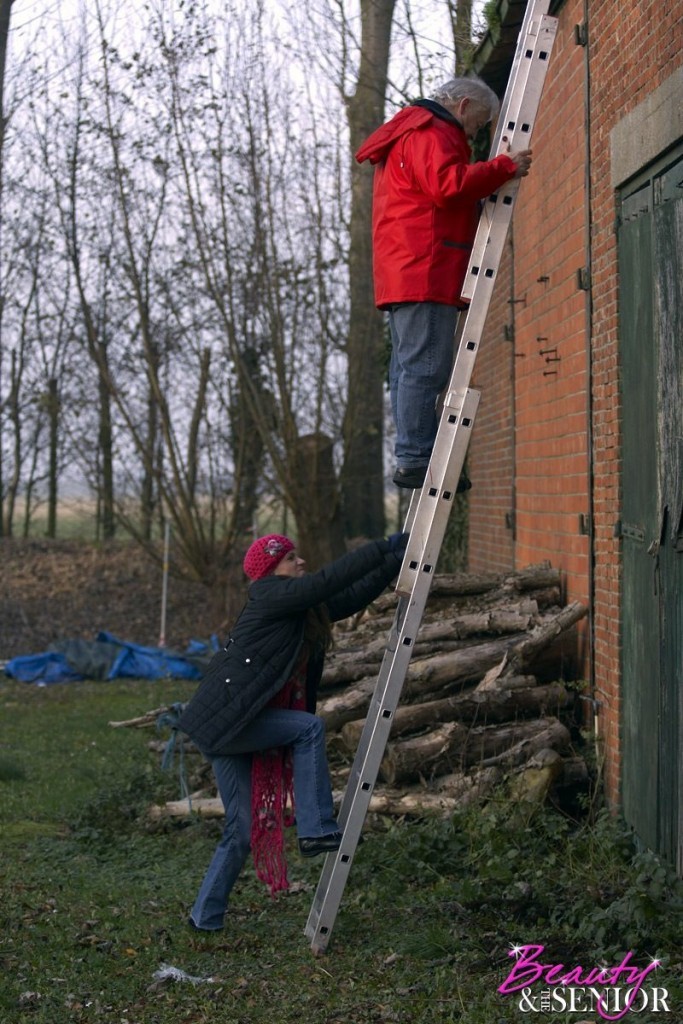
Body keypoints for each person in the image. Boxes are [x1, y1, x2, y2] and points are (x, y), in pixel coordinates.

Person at [177, 530, 408, 932]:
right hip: (228, 722)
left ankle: (204, 917)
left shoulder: (299, 609)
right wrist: (385, 546)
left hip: (229, 724)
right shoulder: (268, 595)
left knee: (240, 830)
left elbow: (347, 597)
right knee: (307, 729)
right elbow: (326, 581)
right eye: (290, 559)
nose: (300, 563)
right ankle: (316, 828)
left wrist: (394, 563)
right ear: (271, 572)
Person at [356, 76, 533, 489]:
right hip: (427, 267)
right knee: (425, 369)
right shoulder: (432, 131)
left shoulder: (410, 130)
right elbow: (447, 185)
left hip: (407, 268)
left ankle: (416, 454)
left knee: (409, 369)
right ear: (464, 104)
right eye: (478, 122)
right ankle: (417, 458)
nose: (475, 132)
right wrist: (503, 167)